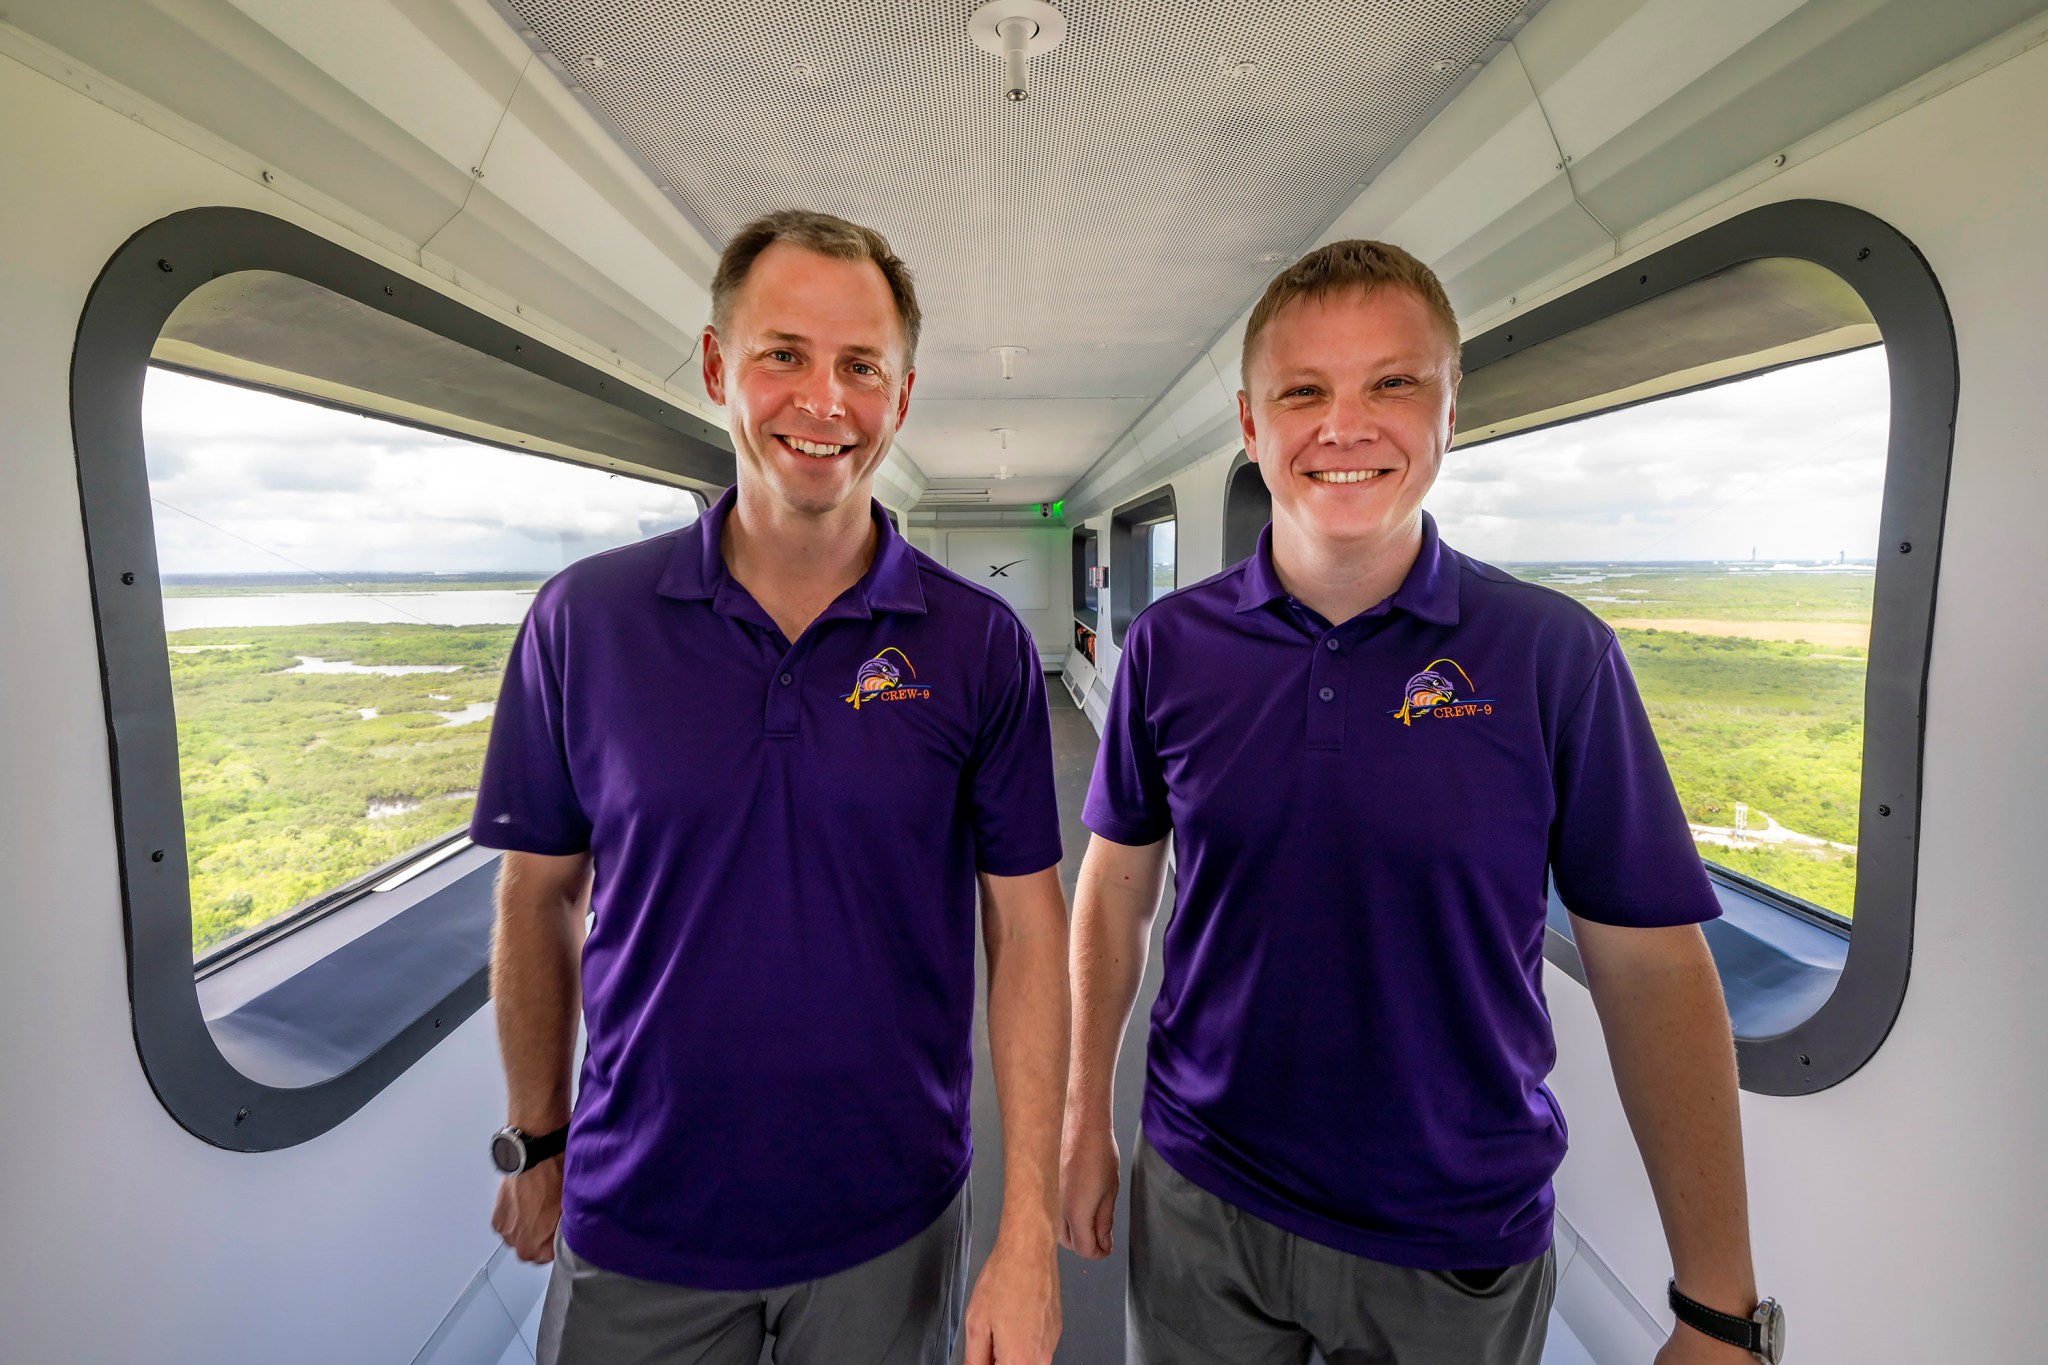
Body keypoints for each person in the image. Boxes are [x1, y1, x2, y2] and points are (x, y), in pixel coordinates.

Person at [1060, 240, 1770, 1365]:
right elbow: (1114, 891)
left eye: (1391, 383)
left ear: (1449, 410)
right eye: (1303, 391)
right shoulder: (1169, 649)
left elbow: (1649, 967)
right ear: (1251, 427)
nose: (1345, 426)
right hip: (1203, 1197)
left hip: (1449, 1238)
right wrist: (1080, 1115)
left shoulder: (1553, 657)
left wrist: (1715, 1303)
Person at [475, 209, 1068, 1365]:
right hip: (637, 1210)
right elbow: (534, 897)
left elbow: (1028, 930)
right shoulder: (582, 624)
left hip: (886, 1217)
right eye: (782, 354)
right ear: (715, 369)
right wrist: (534, 1140)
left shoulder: (975, 644)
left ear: (899, 396)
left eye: (860, 366)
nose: (823, 399)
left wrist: (1029, 1229)